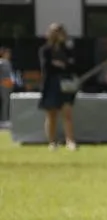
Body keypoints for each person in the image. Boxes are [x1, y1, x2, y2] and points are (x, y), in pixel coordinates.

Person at [39, 22, 77, 150]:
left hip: (65, 82)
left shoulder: (67, 49)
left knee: (67, 112)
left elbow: (71, 65)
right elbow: (46, 67)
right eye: (56, 31)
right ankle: (52, 142)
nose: (60, 34)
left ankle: (70, 141)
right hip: (51, 83)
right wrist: (58, 64)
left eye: (61, 31)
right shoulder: (45, 50)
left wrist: (60, 64)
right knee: (51, 114)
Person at [0, 45, 13, 127]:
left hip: (8, 84)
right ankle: (4, 119)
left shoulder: (8, 62)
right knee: (5, 102)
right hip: (3, 85)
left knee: (7, 102)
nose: (9, 54)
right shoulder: (1, 62)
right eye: (7, 53)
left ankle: (6, 118)